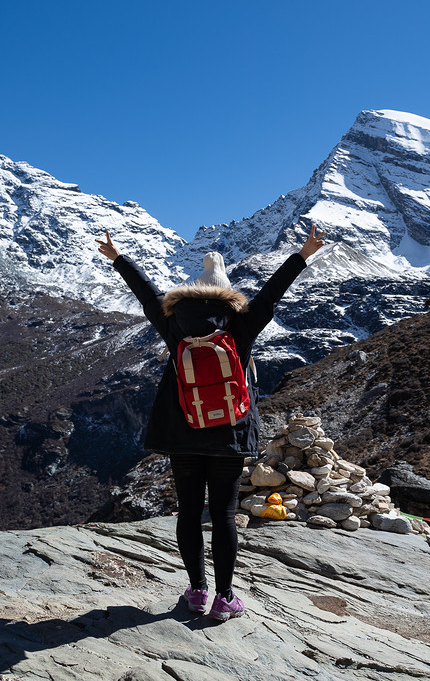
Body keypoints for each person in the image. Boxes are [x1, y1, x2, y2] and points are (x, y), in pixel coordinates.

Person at [94, 225, 327, 621]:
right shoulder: (240, 326)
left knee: (188, 511)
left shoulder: (174, 323)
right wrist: (302, 255)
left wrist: (118, 259)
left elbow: (147, 293)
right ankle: (224, 598)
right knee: (222, 513)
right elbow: (272, 295)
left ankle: (197, 592)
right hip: (229, 434)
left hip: (183, 432)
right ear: (227, 294)